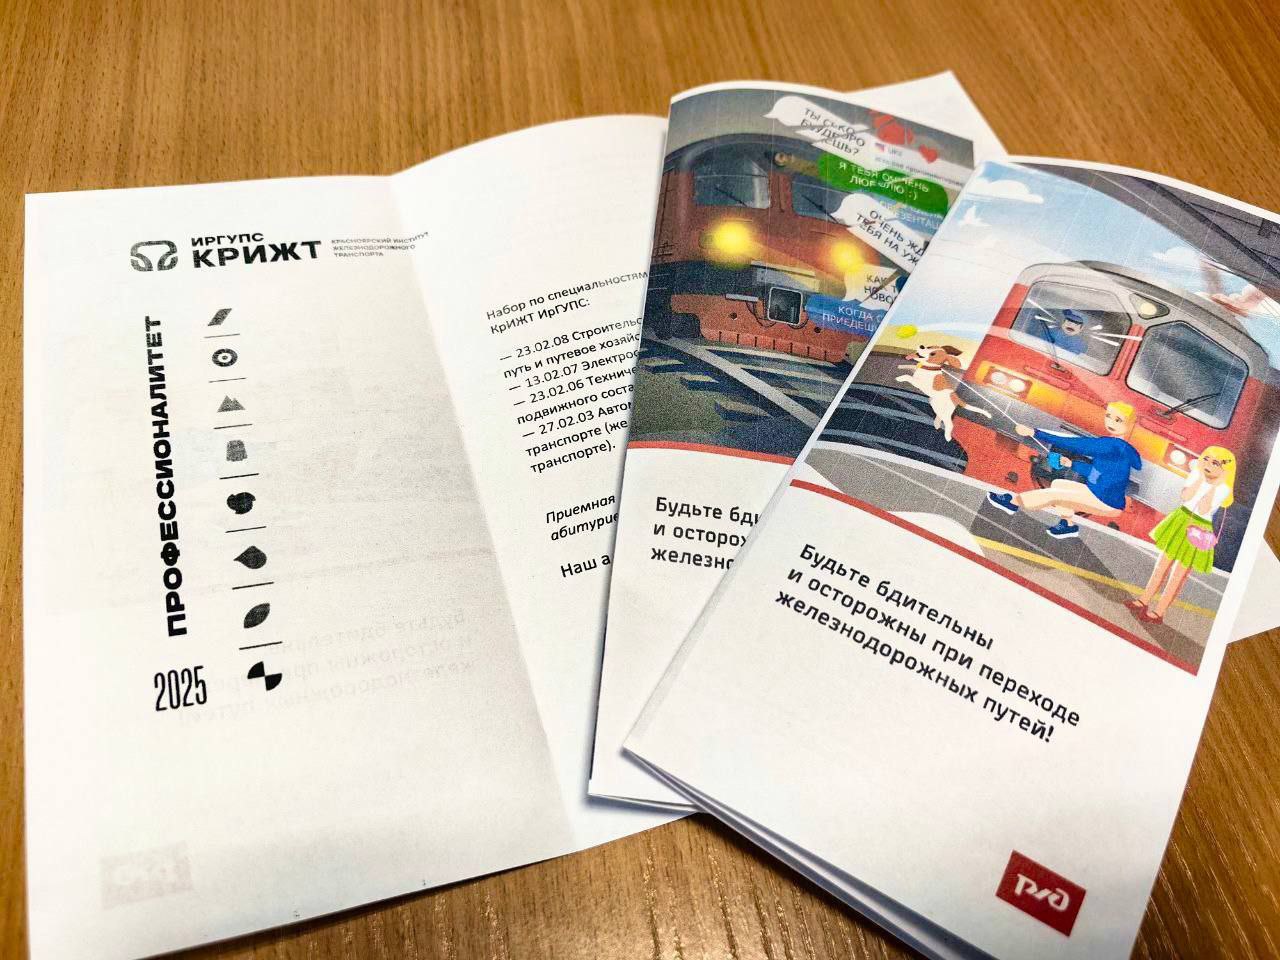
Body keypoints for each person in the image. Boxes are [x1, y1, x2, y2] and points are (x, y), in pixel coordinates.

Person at [987, 401, 1142, 539]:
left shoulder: (1111, 445)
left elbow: (1074, 444)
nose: (1111, 422)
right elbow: (1098, 473)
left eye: (1118, 420)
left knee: (1054, 494)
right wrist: (1071, 464)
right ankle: (1067, 524)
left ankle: (1012, 502)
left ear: (1129, 425)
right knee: (1059, 484)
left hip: (1104, 500)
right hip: (1102, 493)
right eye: (1108, 416)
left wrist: (1035, 433)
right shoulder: (1123, 448)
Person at [1127, 446, 1235, 625]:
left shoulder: (1223, 489)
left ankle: (1159, 612)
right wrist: (1200, 479)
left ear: (1225, 469)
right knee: (1161, 566)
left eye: (1215, 463)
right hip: (1180, 518)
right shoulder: (1196, 474)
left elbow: (1204, 509)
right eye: (1206, 459)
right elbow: (1185, 497)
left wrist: (1214, 485)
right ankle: (1143, 601)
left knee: (1178, 575)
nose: (1208, 465)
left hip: (1199, 528)